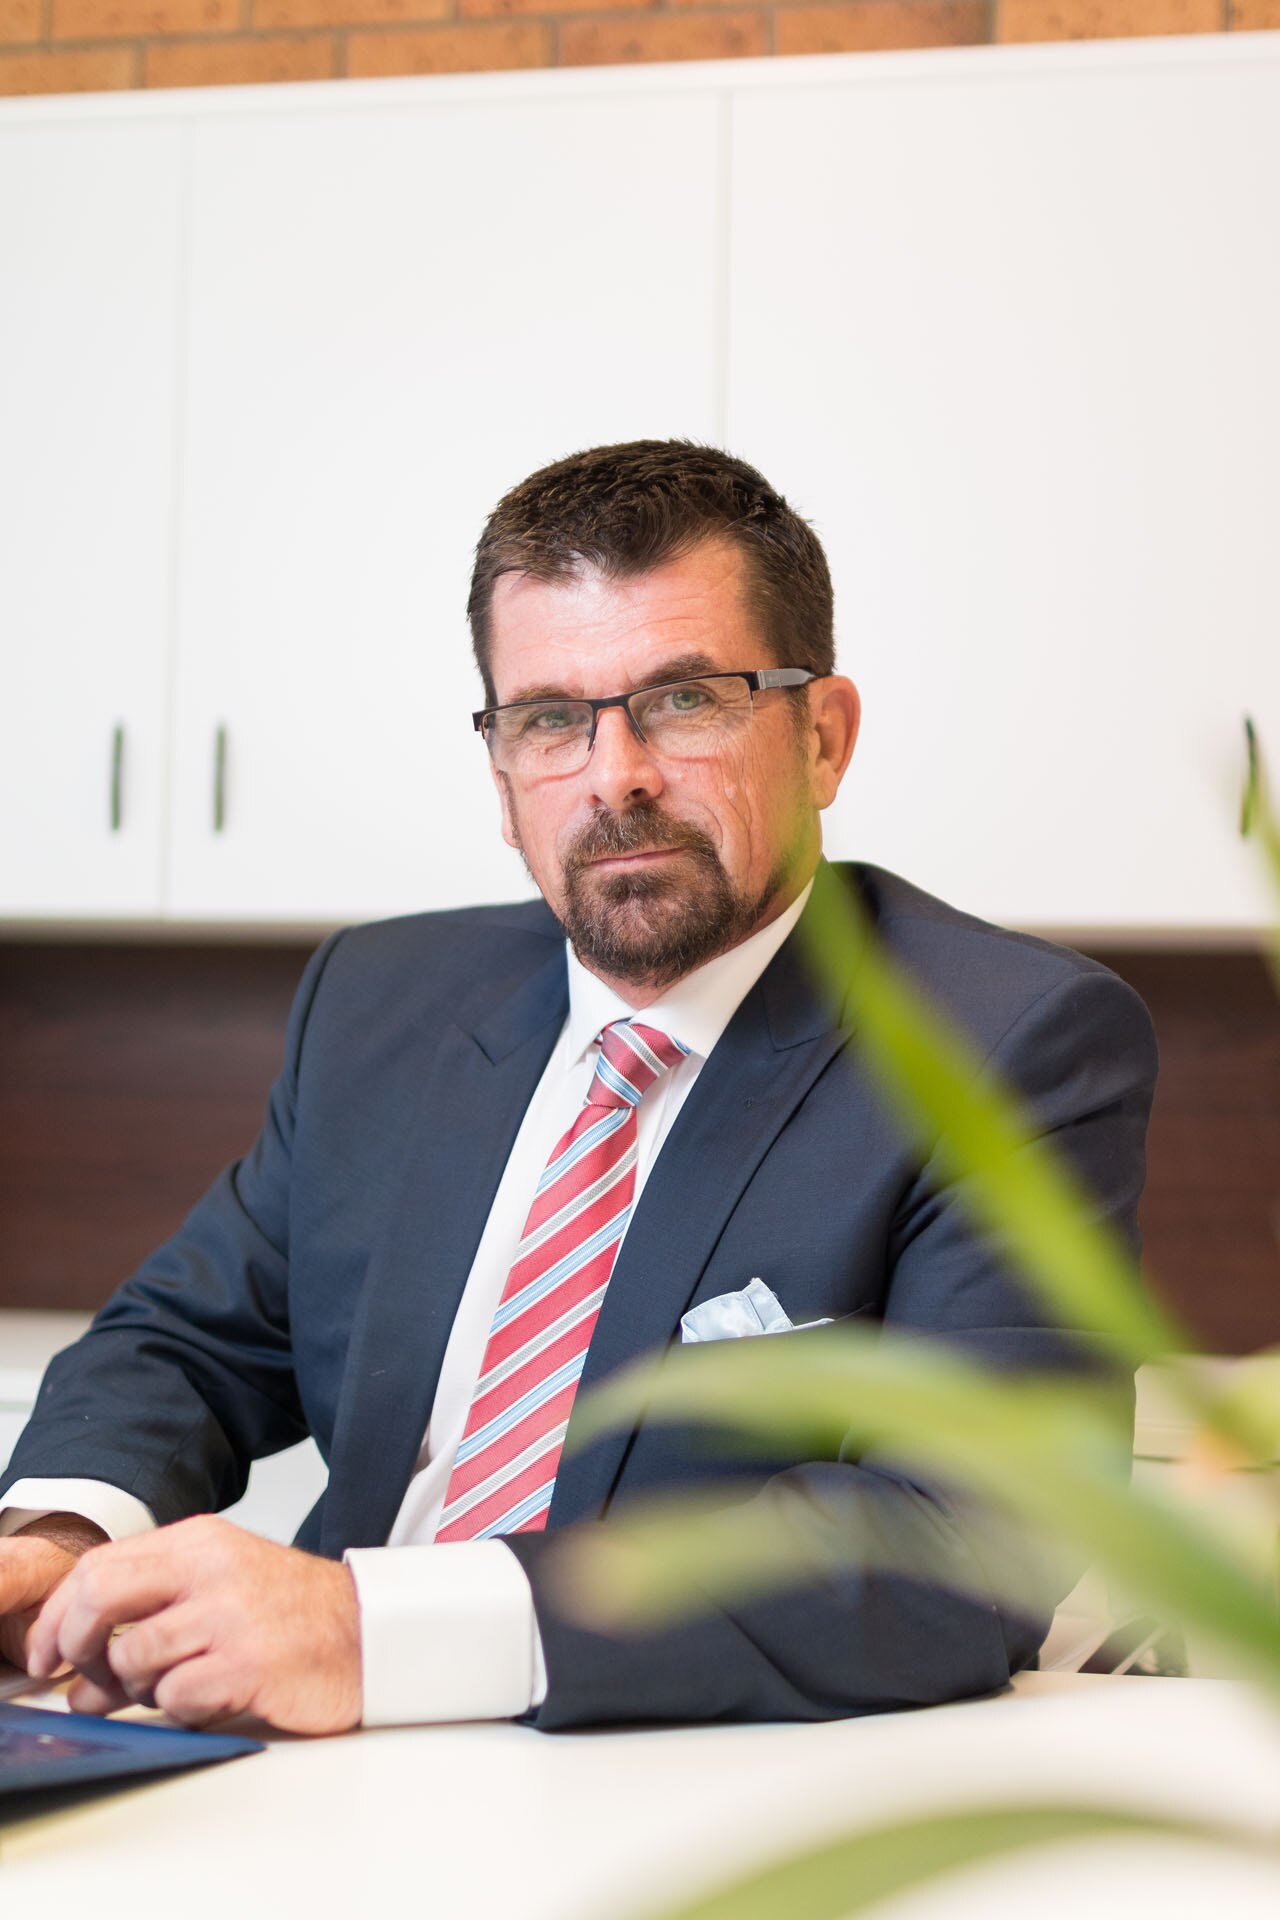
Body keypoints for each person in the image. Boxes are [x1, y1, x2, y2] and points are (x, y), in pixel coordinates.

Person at [0, 441, 1157, 1736]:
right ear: (503, 778)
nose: (615, 776)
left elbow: (965, 1539)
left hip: (668, 1766)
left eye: (686, 700)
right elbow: (192, 1340)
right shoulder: (385, 1003)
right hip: (300, 1749)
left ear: (823, 739)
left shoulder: (1004, 1048)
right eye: (550, 718)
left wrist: (374, 1631)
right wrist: (59, 1540)